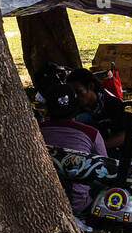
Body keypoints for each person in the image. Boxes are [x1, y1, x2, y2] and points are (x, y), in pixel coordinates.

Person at [38, 84, 107, 217]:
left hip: (41, 202)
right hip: (79, 205)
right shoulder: (91, 134)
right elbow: (104, 168)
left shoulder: (35, 132)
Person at [68, 68, 127, 149]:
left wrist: (97, 148)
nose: (76, 97)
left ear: (91, 86)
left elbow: (122, 137)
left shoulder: (113, 104)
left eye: (79, 92)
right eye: (72, 94)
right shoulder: (75, 108)